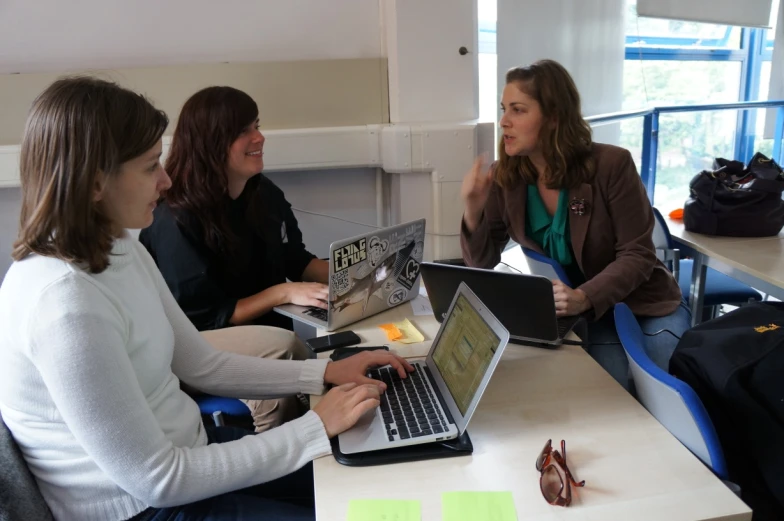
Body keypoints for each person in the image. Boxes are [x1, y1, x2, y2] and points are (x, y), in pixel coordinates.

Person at [0, 76, 412, 521]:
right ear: (95, 182)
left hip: (191, 457)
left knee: (373, 483)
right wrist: (315, 425)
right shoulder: (64, 305)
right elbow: (160, 479)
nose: (164, 179)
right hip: (146, 507)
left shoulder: (120, 247)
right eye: (149, 166)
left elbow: (202, 364)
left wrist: (327, 372)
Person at [460, 60, 689, 392]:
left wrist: (584, 296)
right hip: (581, 316)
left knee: (659, 390)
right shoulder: (506, 178)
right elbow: (481, 262)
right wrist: (472, 209)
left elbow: (638, 254)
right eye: (504, 109)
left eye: (519, 110)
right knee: (599, 394)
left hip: (643, 303)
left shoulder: (612, 165)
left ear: (554, 118)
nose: (504, 121)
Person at [139, 86, 330, 432]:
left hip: (265, 338)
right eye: (243, 131)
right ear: (210, 143)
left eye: (256, 125)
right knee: (282, 365)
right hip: (198, 344)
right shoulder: (175, 220)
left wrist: (359, 276)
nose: (259, 137)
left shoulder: (263, 193)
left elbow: (297, 261)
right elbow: (207, 320)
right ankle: (281, 471)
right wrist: (282, 293)